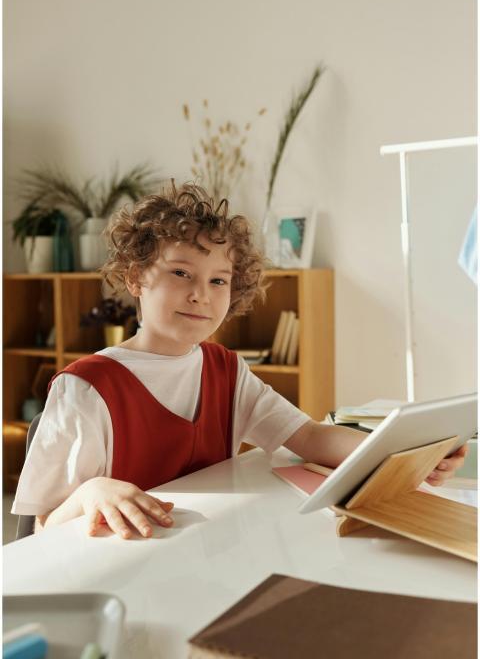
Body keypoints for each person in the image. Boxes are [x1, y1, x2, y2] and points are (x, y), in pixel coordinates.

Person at [12, 182, 467, 539]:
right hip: (120, 570)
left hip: (201, 561)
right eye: (181, 273)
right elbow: (42, 528)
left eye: (218, 280)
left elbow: (308, 436)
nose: (200, 294)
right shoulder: (86, 388)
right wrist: (91, 491)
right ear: (135, 277)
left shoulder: (226, 370)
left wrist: (405, 454)